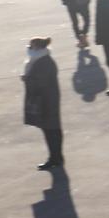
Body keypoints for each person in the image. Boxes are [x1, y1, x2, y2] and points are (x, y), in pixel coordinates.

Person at [21, 36, 64, 171]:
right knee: (51, 129)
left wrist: (27, 79)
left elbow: (40, 82)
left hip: (46, 100)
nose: (29, 48)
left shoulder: (42, 62)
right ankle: (56, 157)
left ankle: (54, 158)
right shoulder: (41, 59)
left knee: (50, 130)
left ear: (37, 47)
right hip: (47, 99)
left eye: (31, 46)